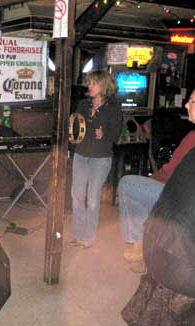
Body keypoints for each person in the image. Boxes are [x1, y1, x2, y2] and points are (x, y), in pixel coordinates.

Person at [121, 89, 195, 326]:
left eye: (192, 101)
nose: (186, 105)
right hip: (183, 264)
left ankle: (133, 244)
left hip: (156, 246)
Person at [118, 82, 195, 268]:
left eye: (192, 101)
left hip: (181, 199)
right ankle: (152, 244)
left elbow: (169, 174)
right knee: (144, 193)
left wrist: (148, 182)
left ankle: (139, 244)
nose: (186, 105)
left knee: (128, 184)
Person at [70, 70, 122, 248]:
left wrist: (105, 132)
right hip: (81, 155)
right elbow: (75, 127)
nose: (89, 86)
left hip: (100, 159)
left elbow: (116, 134)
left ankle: (89, 236)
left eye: (94, 83)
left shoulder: (113, 108)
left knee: (92, 200)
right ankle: (77, 234)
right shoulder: (83, 104)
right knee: (76, 196)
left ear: (104, 86)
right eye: (89, 83)